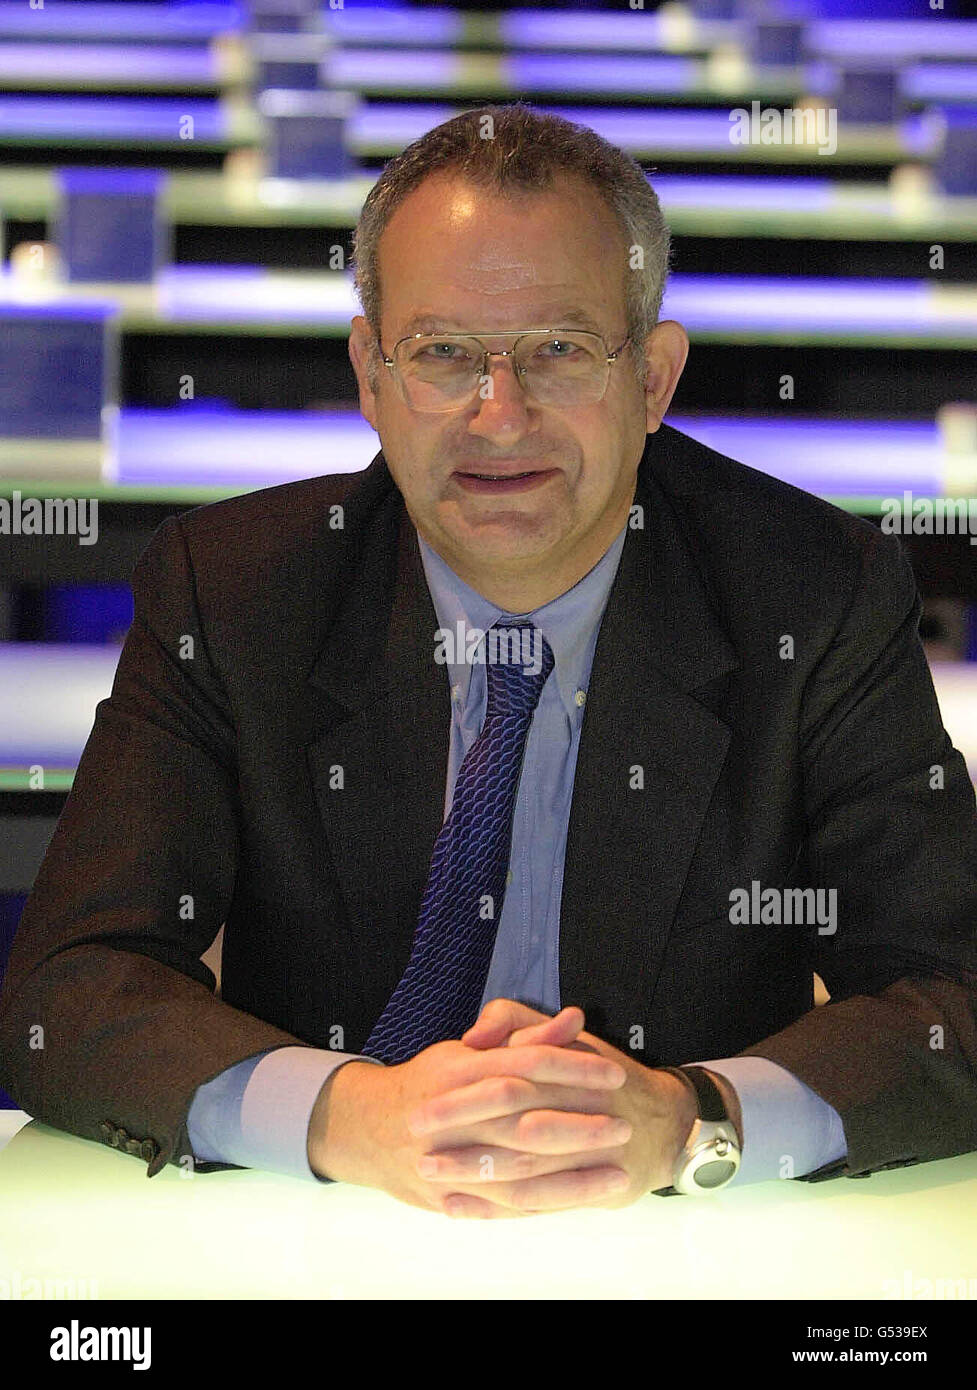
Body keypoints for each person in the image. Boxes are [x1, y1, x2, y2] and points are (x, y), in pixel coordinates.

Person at [2, 105, 976, 1220]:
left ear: (652, 378)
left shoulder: (814, 592)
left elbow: (949, 993)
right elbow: (67, 989)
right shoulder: (231, 590)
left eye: (557, 351)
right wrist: (342, 1113)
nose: (496, 414)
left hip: (677, 1244)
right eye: (442, 353)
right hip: (319, 1231)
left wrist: (695, 1119)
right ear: (370, 373)